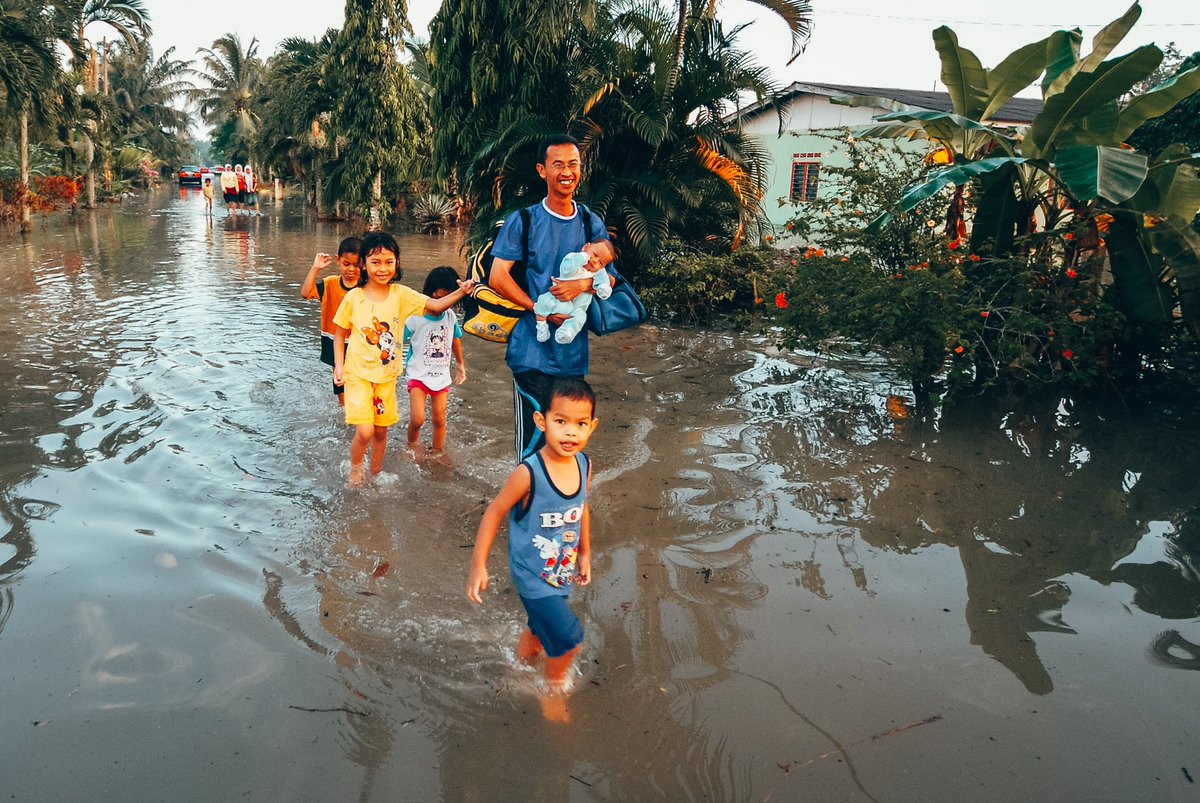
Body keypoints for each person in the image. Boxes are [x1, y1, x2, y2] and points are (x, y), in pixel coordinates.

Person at [466, 377, 599, 722]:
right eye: (561, 421)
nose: (570, 432)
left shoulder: (584, 465)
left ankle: (519, 668)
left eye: (580, 424)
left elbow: (582, 508)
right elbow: (495, 511)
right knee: (570, 641)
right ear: (541, 421)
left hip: (561, 570)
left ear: (592, 427)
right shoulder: (529, 473)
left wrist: (585, 552)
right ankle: (551, 691)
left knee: (540, 631)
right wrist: (478, 565)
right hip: (531, 575)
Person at [487, 134, 616, 461]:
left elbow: (611, 277)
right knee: (532, 448)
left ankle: (561, 509)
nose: (566, 171)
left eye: (573, 164)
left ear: (580, 169)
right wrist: (539, 309)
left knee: (567, 446)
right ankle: (523, 507)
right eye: (558, 164)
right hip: (530, 353)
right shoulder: (524, 220)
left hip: (572, 357)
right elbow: (497, 276)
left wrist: (581, 287)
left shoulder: (590, 222)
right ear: (542, 170)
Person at [332, 232, 474, 484]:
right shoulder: (353, 297)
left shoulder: (401, 295)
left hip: (386, 378)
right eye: (375, 262)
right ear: (364, 264)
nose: (382, 268)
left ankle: (375, 472)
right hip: (357, 375)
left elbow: (436, 305)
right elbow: (340, 332)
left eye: (389, 262)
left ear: (397, 263)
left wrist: (462, 292)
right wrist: (339, 366)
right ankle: (355, 470)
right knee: (364, 431)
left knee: (381, 429)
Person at [403, 266, 468, 452]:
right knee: (418, 418)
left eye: (450, 300)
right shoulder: (415, 317)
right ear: (430, 293)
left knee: (440, 419)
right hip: (418, 375)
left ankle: (437, 451)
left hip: (441, 376)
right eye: (441, 299)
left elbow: (455, 339)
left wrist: (460, 365)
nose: (445, 305)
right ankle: (412, 447)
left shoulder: (450, 316)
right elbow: (396, 341)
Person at [301, 236, 362, 406]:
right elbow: (306, 293)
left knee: (360, 381)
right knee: (339, 379)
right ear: (338, 261)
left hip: (359, 342)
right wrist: (315, 268)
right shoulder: (329, 285)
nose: (351, 269)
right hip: (334, 340)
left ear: (364, 264)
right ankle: (344, 411)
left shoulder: (366, 287)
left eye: (357, 265)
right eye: (346, 264)